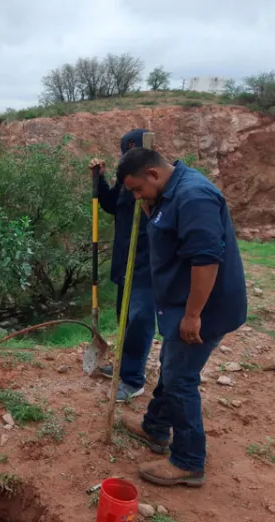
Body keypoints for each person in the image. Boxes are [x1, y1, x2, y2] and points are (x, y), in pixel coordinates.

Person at [115, 148, 247, 487]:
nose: (135, 196)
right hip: (181, 305)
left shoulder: (193, 197)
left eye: (136, 189)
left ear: (154, 174)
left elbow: (206, 260)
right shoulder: (168, 193)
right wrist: (147, 206)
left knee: (179, 379)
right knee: (172, 367)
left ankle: (189, 462)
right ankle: (155, 428)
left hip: (205, 309)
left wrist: (192, 315)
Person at [89, 129, 154, 402]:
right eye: (127, 154)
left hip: (146, 266)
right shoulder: (125, 178)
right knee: (124, 319)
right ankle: (125, 368)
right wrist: (99, 180)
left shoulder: (157, 184)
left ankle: (133, 380)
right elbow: (113, 205)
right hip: (123, 262)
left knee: (138, 323)